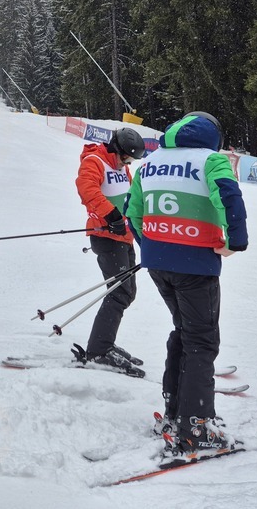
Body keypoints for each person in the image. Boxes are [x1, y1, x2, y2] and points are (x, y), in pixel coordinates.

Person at [123, 111, 248, 456]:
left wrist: (151, 246)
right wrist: (235, 242)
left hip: (158, 263)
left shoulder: (150, 161)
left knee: (183, 331)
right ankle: (196, 427)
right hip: (196, 263)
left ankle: (176, 413)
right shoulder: (211, 159)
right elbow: (229, 195)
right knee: (201, 341)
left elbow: (132, 211)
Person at [74, 127, 147, 376]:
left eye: (131, 160)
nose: (127, 163)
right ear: (116, 149)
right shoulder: (95, 161)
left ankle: (105, 343)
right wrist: (111, 216)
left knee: (126, 293)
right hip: (106, 237)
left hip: (124, 237)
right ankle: (98, 351)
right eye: (126, 157)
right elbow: (87, 189)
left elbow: (128, 196)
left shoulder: (120, 167)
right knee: (119, 293)